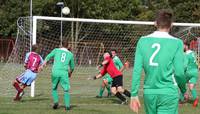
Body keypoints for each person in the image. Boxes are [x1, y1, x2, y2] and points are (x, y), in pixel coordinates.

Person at [130, 10, 186, 114]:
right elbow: (179, 72)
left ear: (155, 23)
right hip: (168, 92)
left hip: (149, 93)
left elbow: (137, 70)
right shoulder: (177, 43)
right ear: (171, 25)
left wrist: (134, 94)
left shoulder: (142, 41)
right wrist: (183, 89)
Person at [41, 40, 75, 111]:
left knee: (54, 88)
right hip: (64, 73)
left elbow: (48, 56)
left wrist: (44, 63)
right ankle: (67, 106)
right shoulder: (70, 54)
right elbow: (72, 67)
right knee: (66, 89)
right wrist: (70, 73)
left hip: (55, 71)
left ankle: (56, 102)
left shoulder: (56, 50)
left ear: (61, 45)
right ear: (68, 45)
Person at [180, 42, 199, 107]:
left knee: (181, 84)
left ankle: (181, 100)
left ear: (186, 46)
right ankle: (195, 99)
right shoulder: (193, 53)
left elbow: (185, 65)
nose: (182, 47)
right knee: (191, 87)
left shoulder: (186, 54)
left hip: (188, 72)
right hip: (195, 72)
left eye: (183, 46)